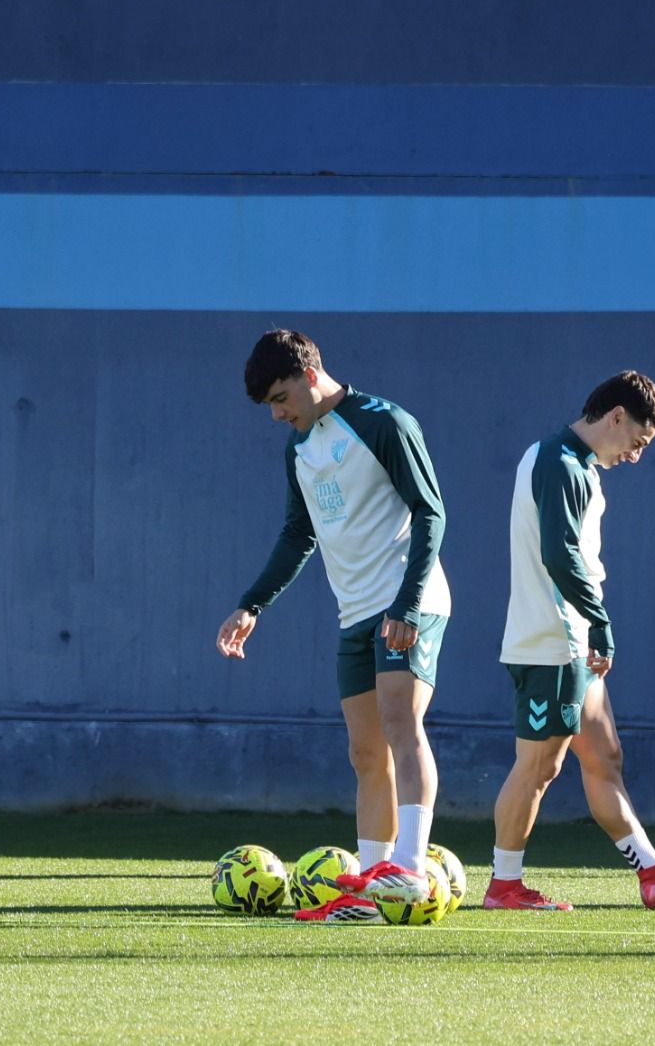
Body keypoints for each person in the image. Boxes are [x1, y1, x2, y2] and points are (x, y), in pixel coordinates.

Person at [217, 331, 448, 922]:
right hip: (355, 612)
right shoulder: (299, 448)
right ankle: (372, 891)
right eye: (269, 405)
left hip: (408, 601)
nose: (277, 414)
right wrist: (253, 603)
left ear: (309, 374)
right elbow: (300, 534)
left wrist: (408, 603)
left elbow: (431, 512)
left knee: (400, 724)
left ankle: (411, 870)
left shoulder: (384, 422)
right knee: (365, 753)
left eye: (280, 397)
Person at [485, 371, 655, 911]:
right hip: (553, 640)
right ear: (616, 416)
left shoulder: (574, 463)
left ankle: (654, 874)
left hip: (570, 639)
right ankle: (504, 885)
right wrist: (599, 620)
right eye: (637, 442)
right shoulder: (558, 461)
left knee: (604, 757)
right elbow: (559, 552)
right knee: (539, 767)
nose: (636, 456)